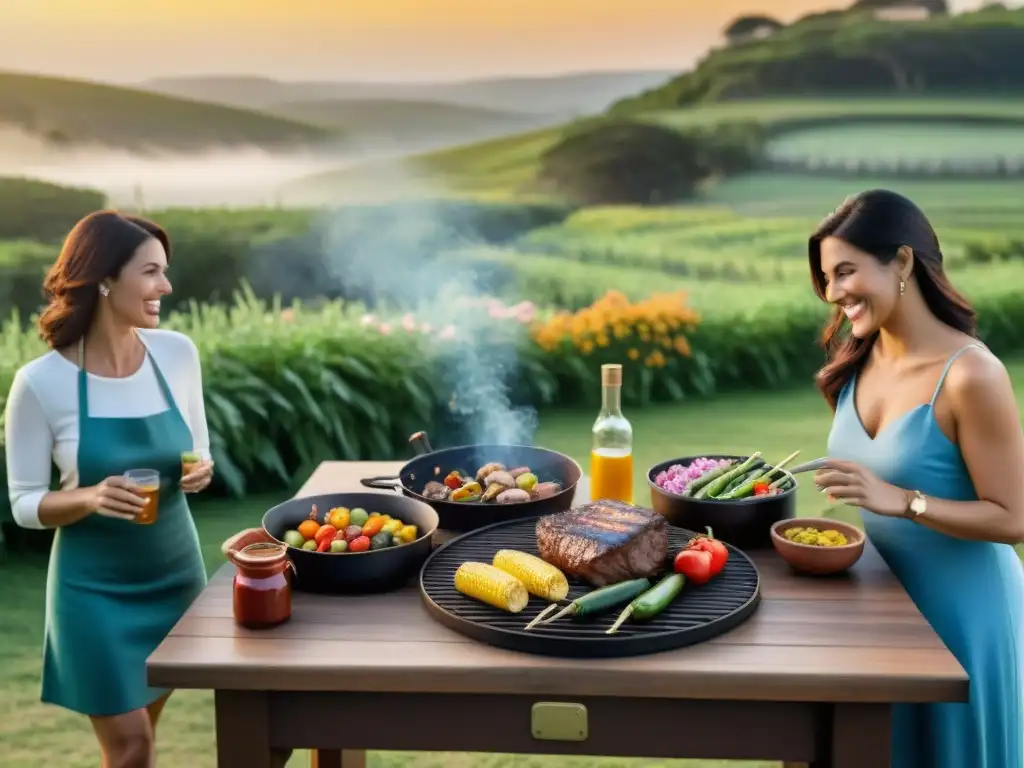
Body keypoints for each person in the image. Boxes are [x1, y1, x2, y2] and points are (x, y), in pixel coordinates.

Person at [809, 189, 1024, 768]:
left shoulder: (971, 374)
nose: (834, 293)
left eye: (846, 271)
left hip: (962, 619)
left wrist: (905, 502)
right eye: (828, 278)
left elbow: (1014, 518)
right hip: (882, 616)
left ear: (901, 261)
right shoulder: (858, 360)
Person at [4, 210, 215, 767]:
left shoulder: (176, 354)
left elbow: (199, 448)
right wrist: (90, 497)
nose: (165, 286)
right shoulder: (41, 383)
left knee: (138, 745)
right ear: (103, 278)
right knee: (132, 747)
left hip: (174, 577)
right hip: (92, 592)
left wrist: (202, 470)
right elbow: (24, 503)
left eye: (164, 272)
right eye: (150, 272)